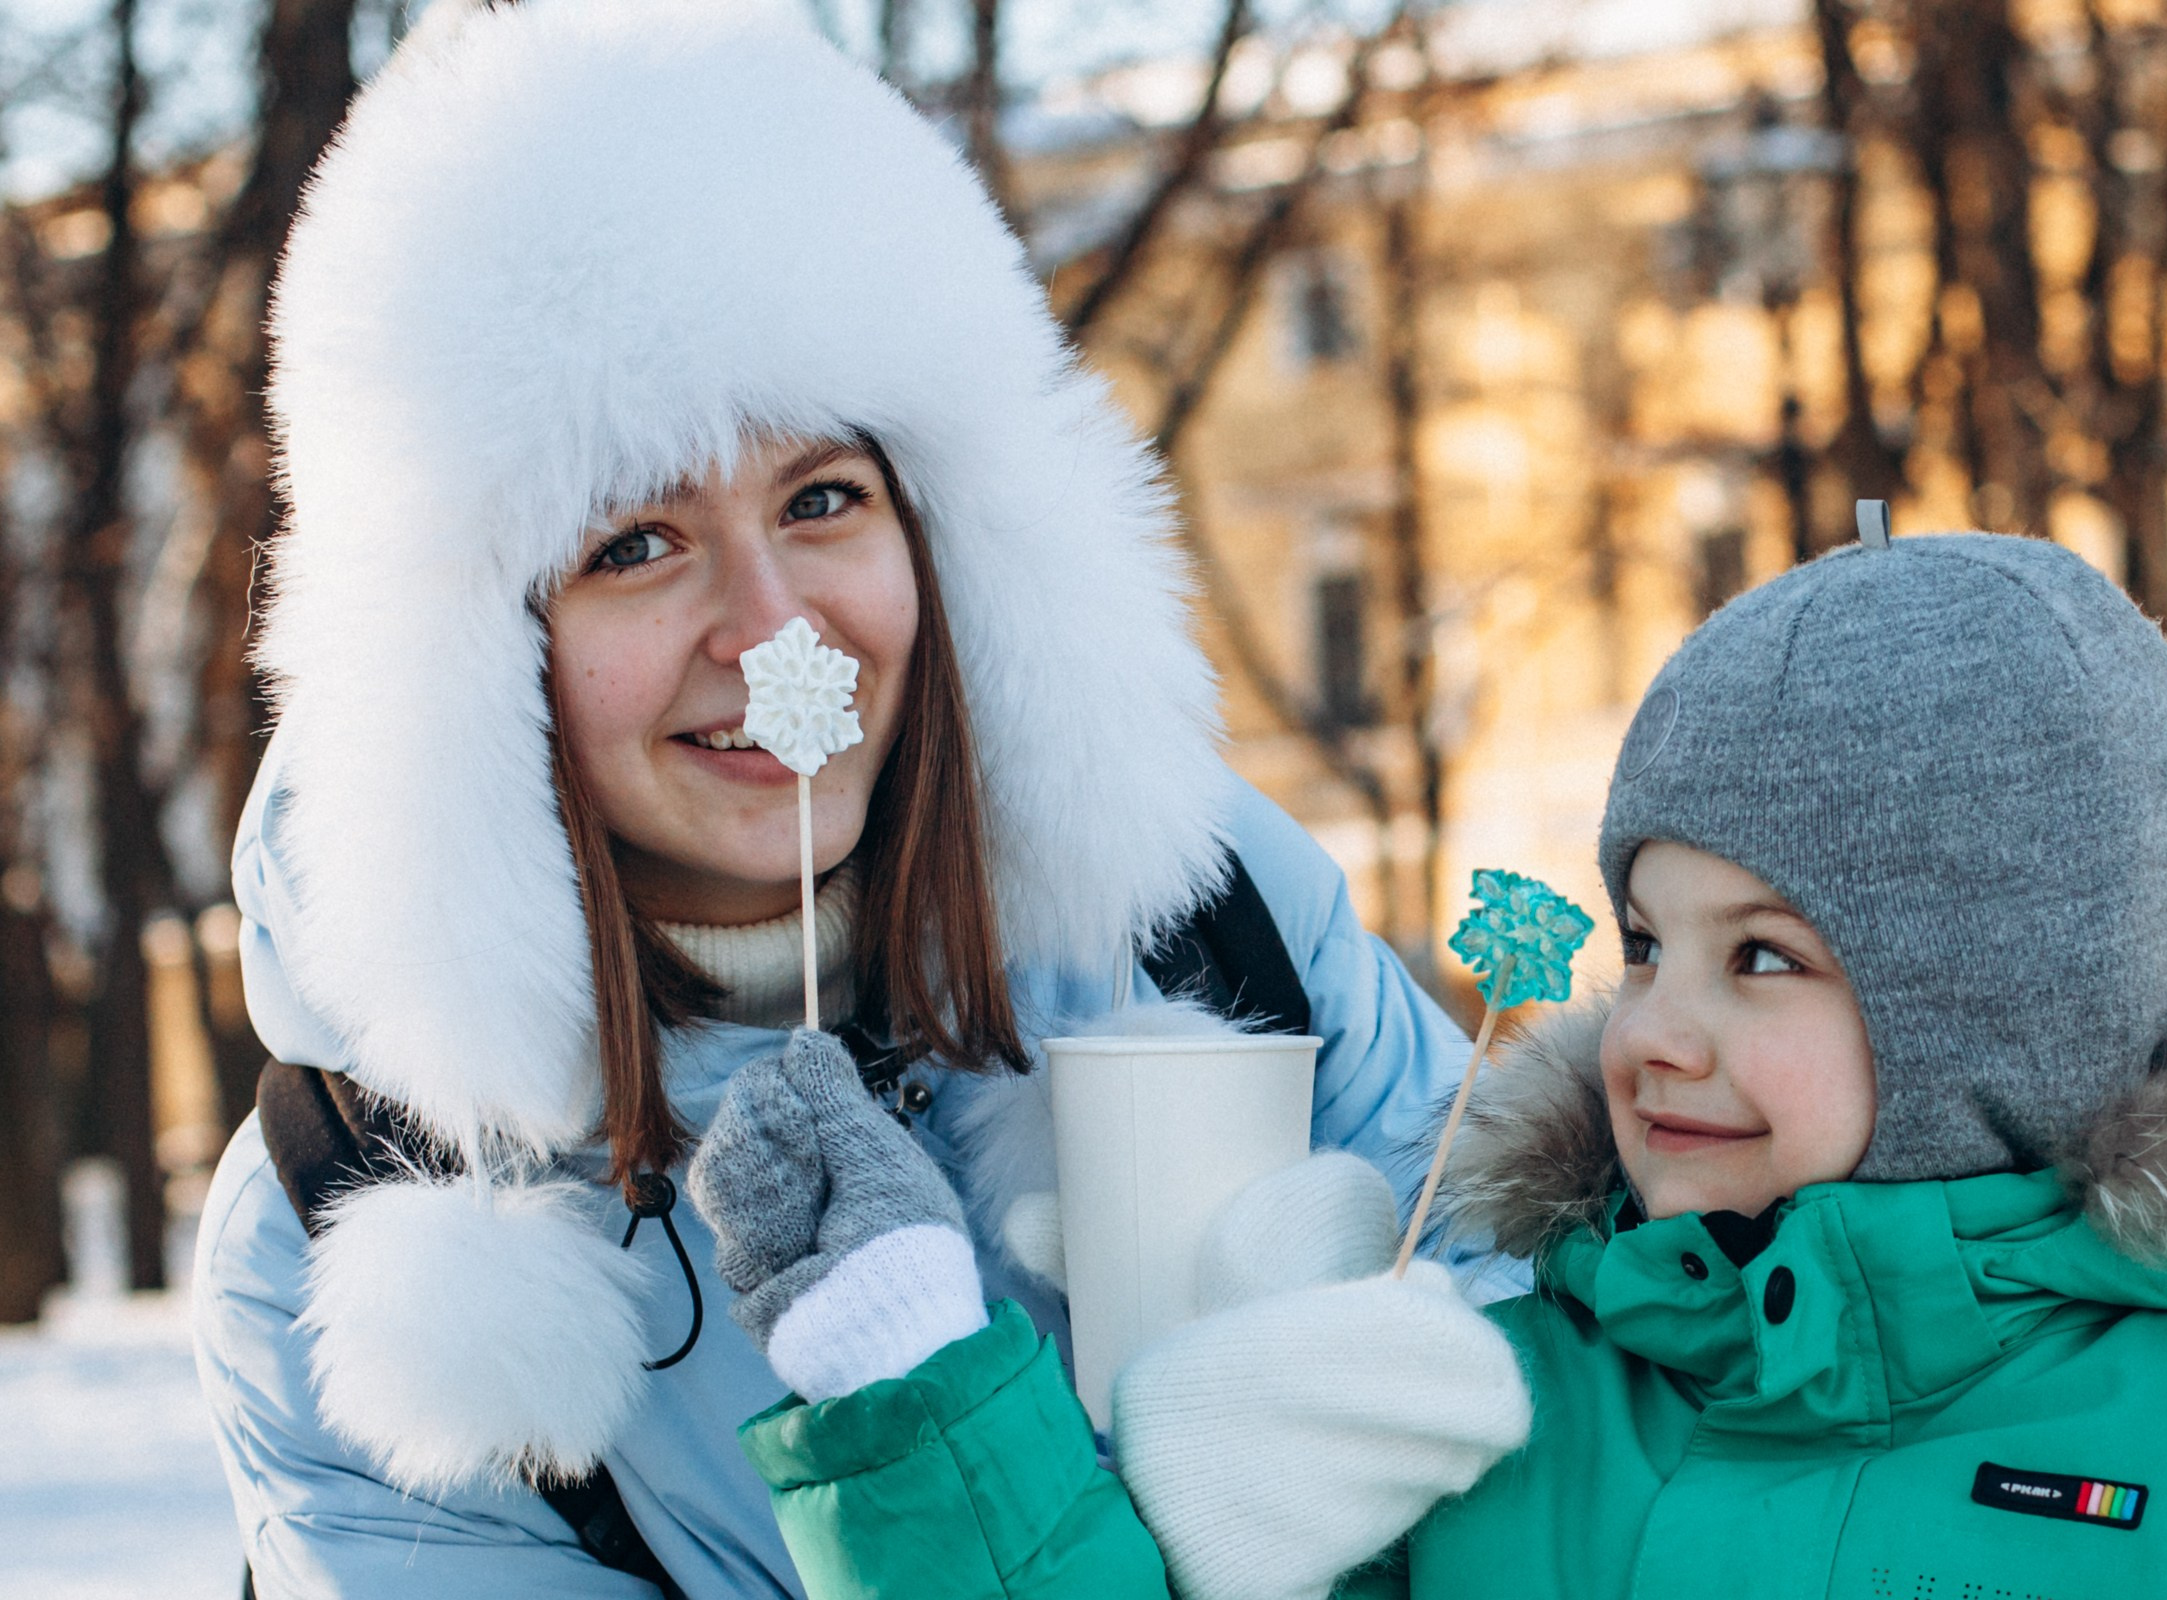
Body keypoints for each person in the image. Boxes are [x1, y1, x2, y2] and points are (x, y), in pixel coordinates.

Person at [190, 1, 1517, 1593]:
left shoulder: (1209, 925)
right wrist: (915, 1433)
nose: (771, 631)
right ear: (474, 661)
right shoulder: (353, 1229)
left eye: (823, 498)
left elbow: (1556, 1465)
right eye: (634, 543)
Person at [694, 530, 2167, 1598]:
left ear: (2001, 1013)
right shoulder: (1484, 1413)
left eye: (1763, 959)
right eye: (1645, 942)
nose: (1652, 1022)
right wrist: (905, 1371)